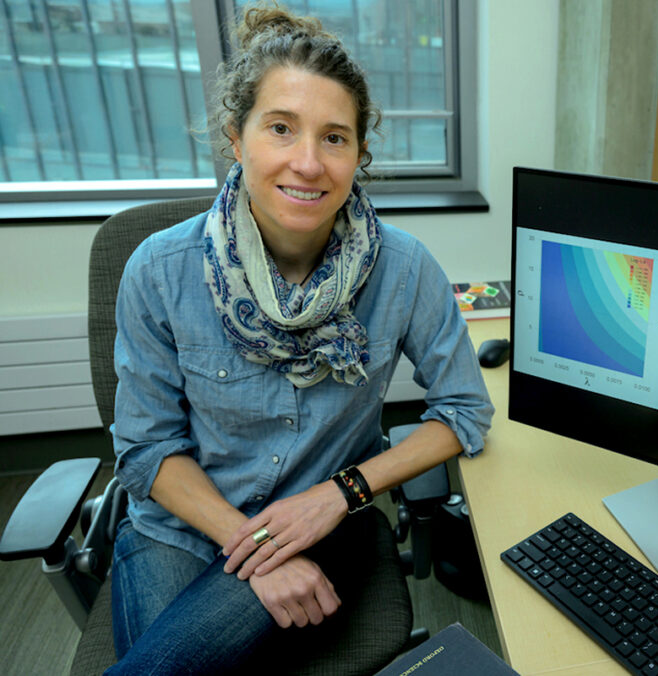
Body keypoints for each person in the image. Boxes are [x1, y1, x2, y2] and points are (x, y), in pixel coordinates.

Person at [105, 4, 493, 673]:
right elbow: (148, 449)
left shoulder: (404, 269)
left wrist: (340, 493)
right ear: (236, 135)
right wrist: (252, 545)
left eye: (335, 138)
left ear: (359, 154)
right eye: (281, 129)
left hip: (322, 523)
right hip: (182, 530)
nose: (308, 163)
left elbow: (464, 412)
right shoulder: (159, 270)